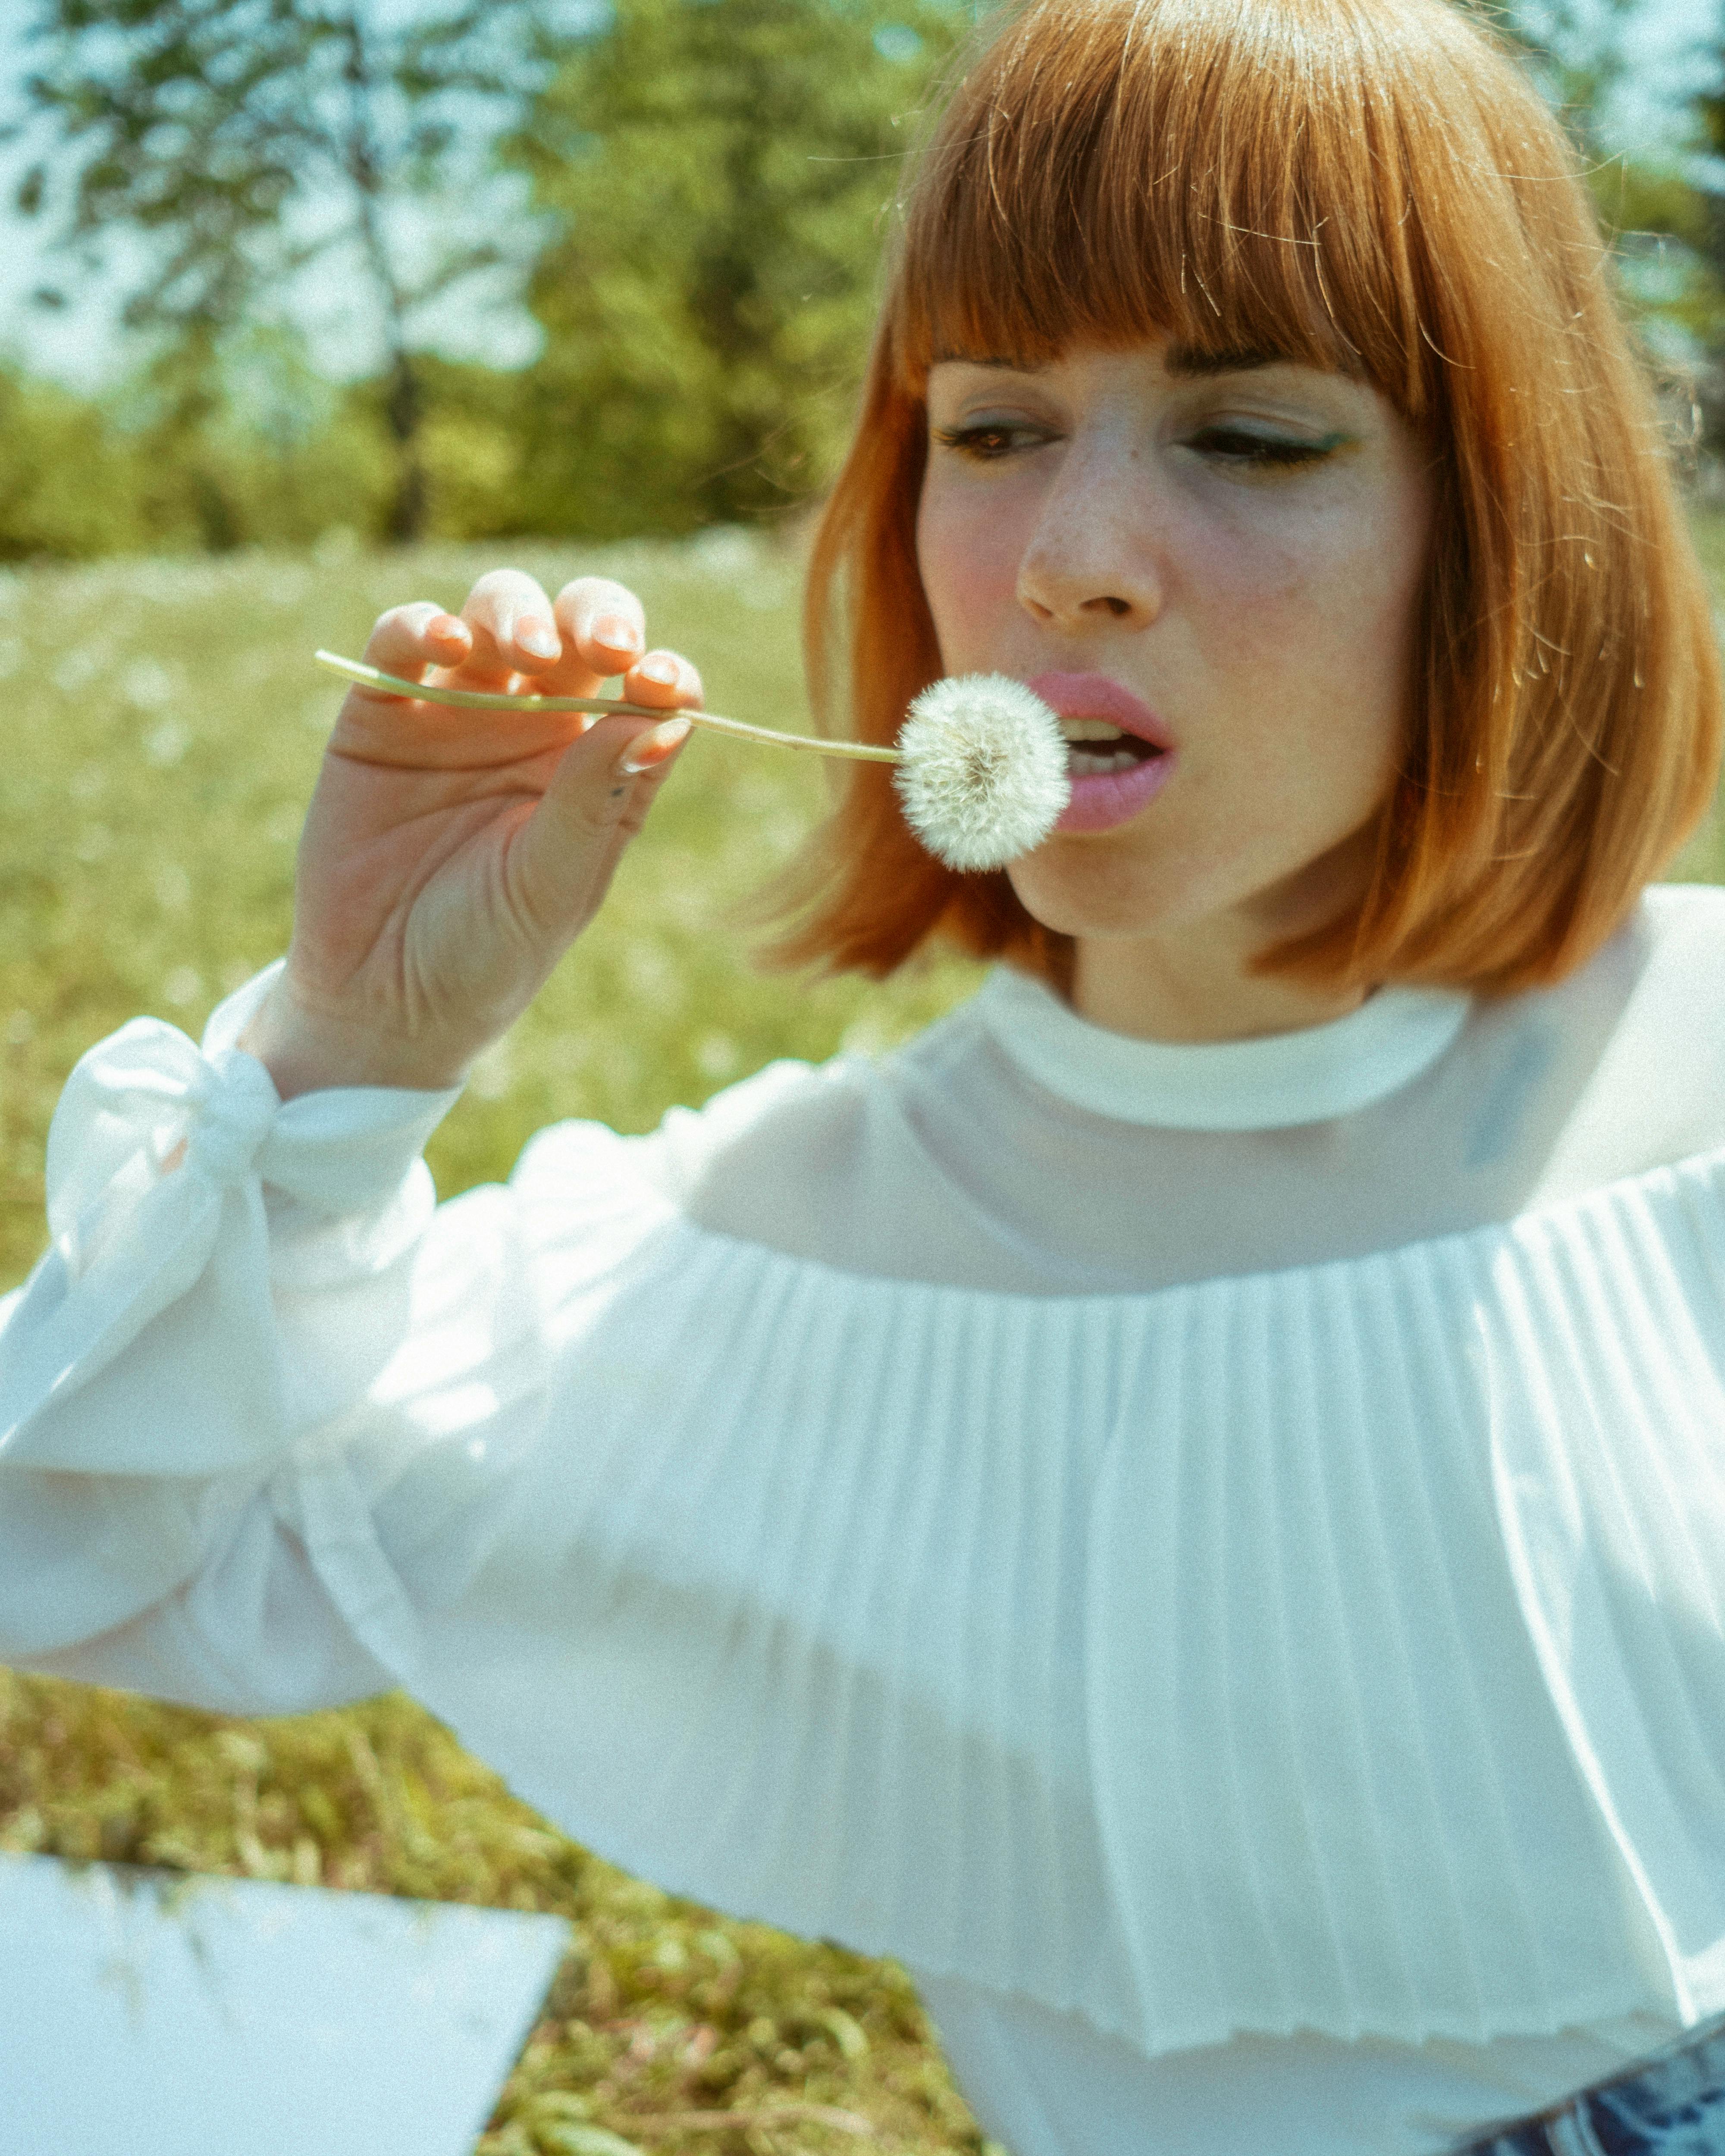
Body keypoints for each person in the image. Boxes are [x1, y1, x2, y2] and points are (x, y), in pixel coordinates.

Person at [3, 0, 1725, 2149]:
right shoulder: (784, 1253)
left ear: (1502, 518)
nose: (1063, 555)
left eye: (1253, 436)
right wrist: (360, 1045)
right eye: (992, 429)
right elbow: (82, 1547)